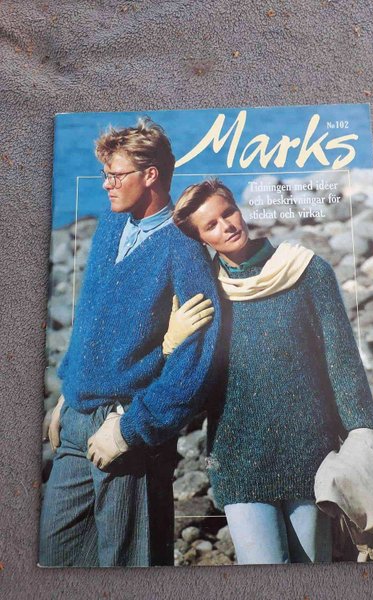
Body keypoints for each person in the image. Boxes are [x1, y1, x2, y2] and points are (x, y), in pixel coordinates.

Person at [170, 178, 373, 565]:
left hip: (309, 452)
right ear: (200, 239)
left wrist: (363, 432)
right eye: (211, 225)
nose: (227, 226)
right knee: (263, 574)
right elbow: (191, 382)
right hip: (237, 457)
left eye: (228, 213)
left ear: (239, 208)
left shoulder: (306, 271)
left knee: (311, 571)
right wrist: (171, 344)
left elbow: (341, 358)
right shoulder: (204, 293)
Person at [39, 119, 220, 567]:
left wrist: (131, 428)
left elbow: (198, 359)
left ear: (150, 175)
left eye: (116, 175)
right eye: (105, 175)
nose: (106, 185)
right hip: (75, 419)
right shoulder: (111, 226)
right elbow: (89, 322)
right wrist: (67, 392)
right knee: (55, 557)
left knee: (129, 568)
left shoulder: (184, 249)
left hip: (126, 428)